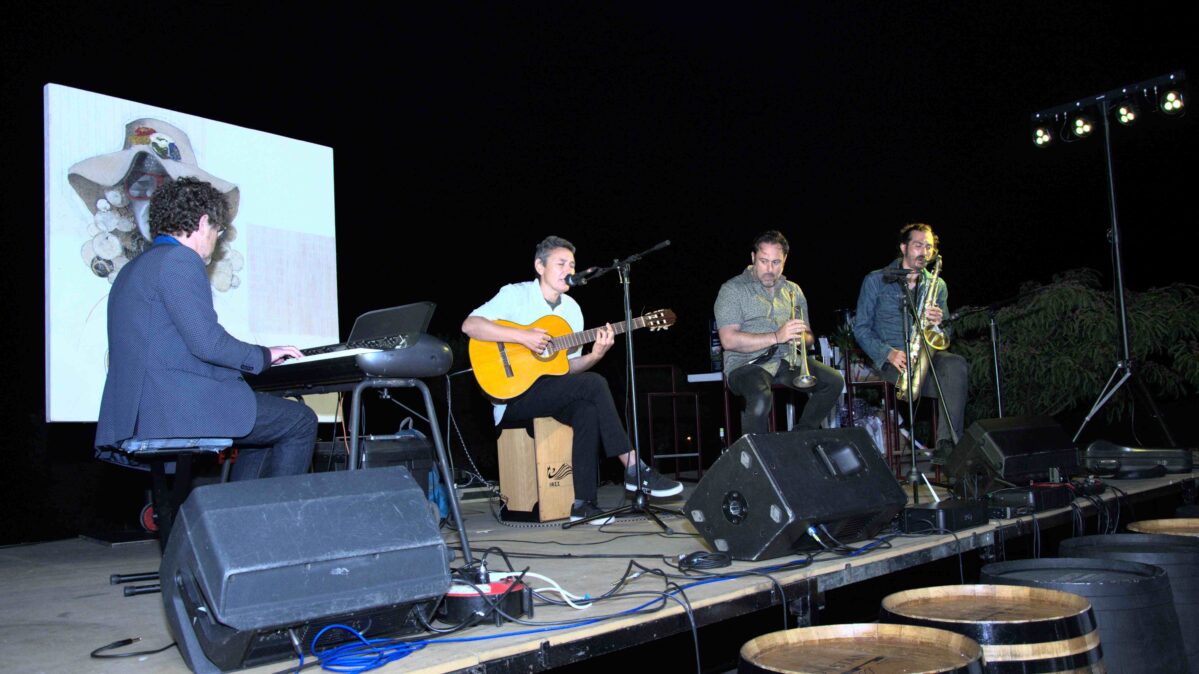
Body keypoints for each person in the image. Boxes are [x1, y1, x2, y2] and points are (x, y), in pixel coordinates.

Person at [95, 177, 316, 480]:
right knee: (300, 420)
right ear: (202, 223)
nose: (216, 238)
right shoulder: (179, 260)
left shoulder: (134, 268)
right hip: (176, 407)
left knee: (261, 422)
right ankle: (280, 522)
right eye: (217, 230)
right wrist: (264, 355)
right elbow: (206, 343)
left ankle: (241, 518)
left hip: (144, 413)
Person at [463, 236, 682, 524]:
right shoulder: (515, 295)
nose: (569, 269)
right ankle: (633, 467)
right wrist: (523, 336)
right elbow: (470, 325)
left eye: (572, 264)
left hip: (548, 392)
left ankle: (583, 504)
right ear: (540, 266)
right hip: (511, 396)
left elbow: (565, 369)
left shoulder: (572, 311)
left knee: (587, 408)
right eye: (561, 263)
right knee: (594, 384)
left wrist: (595, 355)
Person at [852, 222, 968, 463]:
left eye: (929, 247)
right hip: (891, 362)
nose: (924, 252)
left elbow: (945, 334)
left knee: (955, 365)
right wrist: (888, 353)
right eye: (918, 245)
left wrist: (940, 322)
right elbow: (861, 328)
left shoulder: (938, 285)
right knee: (940, 383)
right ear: (904, 247)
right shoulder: (876, 280)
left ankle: (947, 445)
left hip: (926, 359)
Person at [715, 230, 844, 437]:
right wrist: (777, 336)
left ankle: (800, 436)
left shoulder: (793, 290)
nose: (769, 269)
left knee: (834, 381)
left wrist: (802, 337)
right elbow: (728, 340)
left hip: (786, 360)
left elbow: (809, 337)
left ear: (784, 261)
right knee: (760, 397)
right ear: (753, 258)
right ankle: (757, 460)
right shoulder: (732, 290)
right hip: (746, 364)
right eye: (764, 261)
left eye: (776, 262)